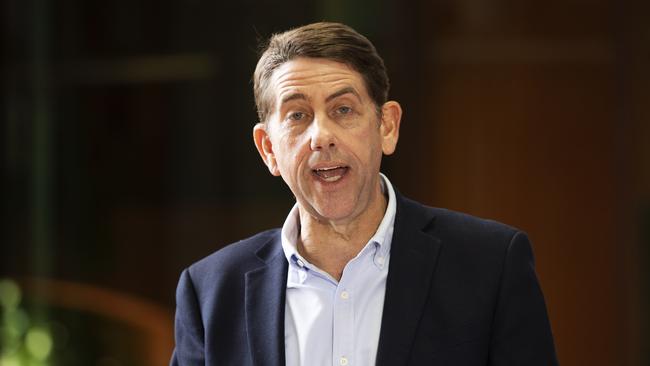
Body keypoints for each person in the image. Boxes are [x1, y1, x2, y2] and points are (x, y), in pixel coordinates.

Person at [170, 22, 558, 366]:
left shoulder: (490, 265)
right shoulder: (210, 293)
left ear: (387, 126)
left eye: (343, 110)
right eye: (297, 115)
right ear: (268, 149)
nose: (321, 136)